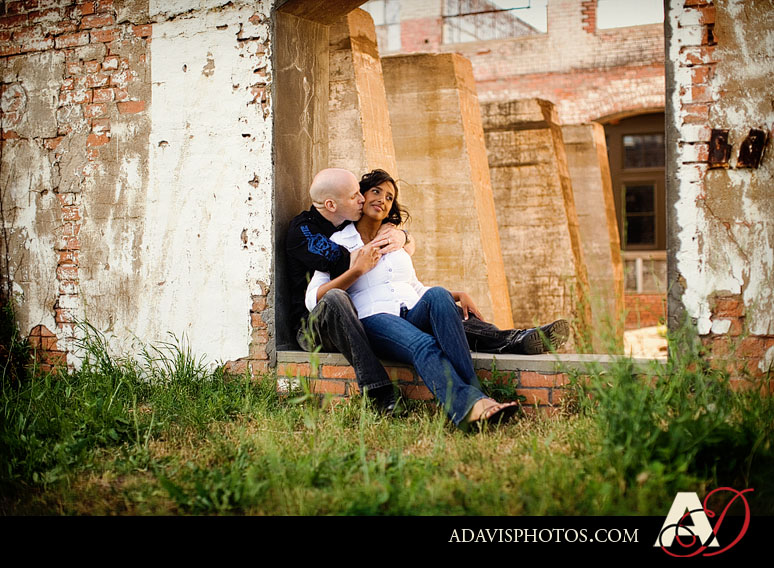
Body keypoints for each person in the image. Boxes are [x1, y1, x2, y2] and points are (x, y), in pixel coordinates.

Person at [306, 169, 521, 427]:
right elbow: (314, 298)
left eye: (389, 197)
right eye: (376, 191)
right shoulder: (338, 243)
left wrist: (457, 294)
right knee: (424, 344)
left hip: (409, 312)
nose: (382, 200)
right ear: (361, 198)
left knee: (439, 295)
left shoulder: (397, 242)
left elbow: (415, 287)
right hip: (374, 318)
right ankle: (468, 408)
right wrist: (356, 270)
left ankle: (478, 398)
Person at [286, 168, 410, 413]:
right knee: (335, 297)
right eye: (355, 196)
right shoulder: (304, 232)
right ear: (331, 205)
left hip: (351, 319)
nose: (363, 200)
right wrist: (395, 238)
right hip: (312, 328)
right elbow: (356, 259)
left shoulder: (343, 223)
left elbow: (375, 235)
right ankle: (381, 393)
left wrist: (402, 236)